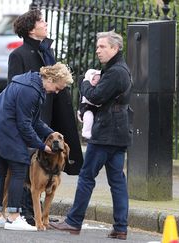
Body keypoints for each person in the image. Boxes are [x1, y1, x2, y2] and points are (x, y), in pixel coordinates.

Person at [0, 62, 73, 231]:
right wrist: (42, 146)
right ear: (51, 79)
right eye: (58, 87)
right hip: (5, 129)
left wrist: (51, 134)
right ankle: (13, 218)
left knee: (0, 169)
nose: (57, 91)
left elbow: (35, 121)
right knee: (20, 166)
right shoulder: (31, 91)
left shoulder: (31, 82)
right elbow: (24, 125)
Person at [50, 31, 133, 240]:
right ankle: (120, 227)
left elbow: (96, 95)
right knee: (117, 180)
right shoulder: (116, 69)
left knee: (87, 176)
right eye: (97, 47)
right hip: (118, 131)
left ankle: (74, 221)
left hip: (106, 133)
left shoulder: (116, 72)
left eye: (102, 47)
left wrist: (83, 82)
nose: (98, 50)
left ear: (115, 48)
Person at [7, 9, 83, 224]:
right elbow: (13, 87)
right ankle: (26, 212)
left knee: (43, 165)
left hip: (46, 117)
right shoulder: (18, 55)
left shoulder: (45, 51)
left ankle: (37, 212)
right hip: (29, 118)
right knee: (29, 164)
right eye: (41, 21)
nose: (46, 23)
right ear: (31, 28)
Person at [77, 69, 101, 139]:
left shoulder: (99, 88)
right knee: (88, 116)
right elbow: (87, 98)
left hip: (97, 110)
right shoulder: (86, 87)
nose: (96, 81)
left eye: (98, 80)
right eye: (93, 79)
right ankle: (86, 132)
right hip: (87, 107)